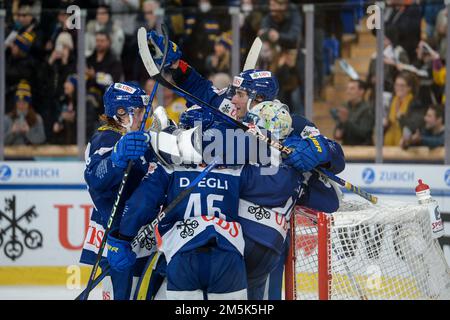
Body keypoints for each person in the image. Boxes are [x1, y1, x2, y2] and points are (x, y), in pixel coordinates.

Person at [80, 82, 156, 300]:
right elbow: (95, 178)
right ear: (122, 113)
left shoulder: (131, 137)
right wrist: (116, 158)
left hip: (133, 232)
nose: (143, 118)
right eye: (139, 112)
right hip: (117, 235)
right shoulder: (106, 137)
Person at [384, 71, 424, 146]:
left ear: (409, 88)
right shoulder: (392, 101)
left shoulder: (416, 103)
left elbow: (414, 126)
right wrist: (386, 123)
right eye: (396, 85)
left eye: (402, 85)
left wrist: (401, 118)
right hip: (389, 142)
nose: (398, 88)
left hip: (406, 145)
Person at [4, 80, 46, 146]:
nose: (21, 105)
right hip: (10, 155)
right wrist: (12, 132)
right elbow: (2, 142)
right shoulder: (7, 118)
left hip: (30, 154)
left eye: (24, 103)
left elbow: (41, 140)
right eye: (19, 102)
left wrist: (28, 132)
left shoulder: (37, 118)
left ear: (29, 104)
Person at [333, 79, 374, 145]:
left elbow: (364, 133)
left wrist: (346, 122)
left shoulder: (368, 109)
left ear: (361, 91)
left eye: (352, 89)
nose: (348, 91)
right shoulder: (345, 106)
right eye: (347, 88)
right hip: (347, 147)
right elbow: (338, 132)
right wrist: (338, 131)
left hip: (364, 150)